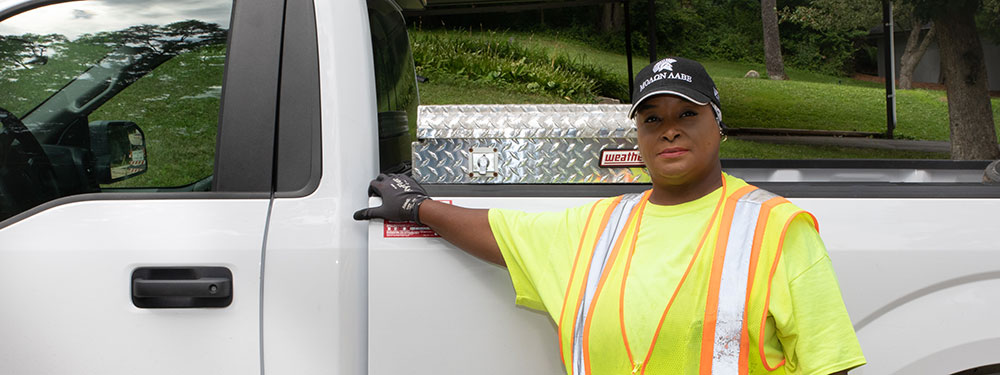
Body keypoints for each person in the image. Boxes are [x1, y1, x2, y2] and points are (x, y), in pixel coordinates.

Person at [354, 57, 865, 375]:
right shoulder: (600, 227)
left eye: (687, 113)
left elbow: (828, 365)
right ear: (638, 138)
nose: (669, 129)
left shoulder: (777, 230)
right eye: (652, 119)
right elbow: (498, 231)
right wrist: (419, 207)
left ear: (719, 126)